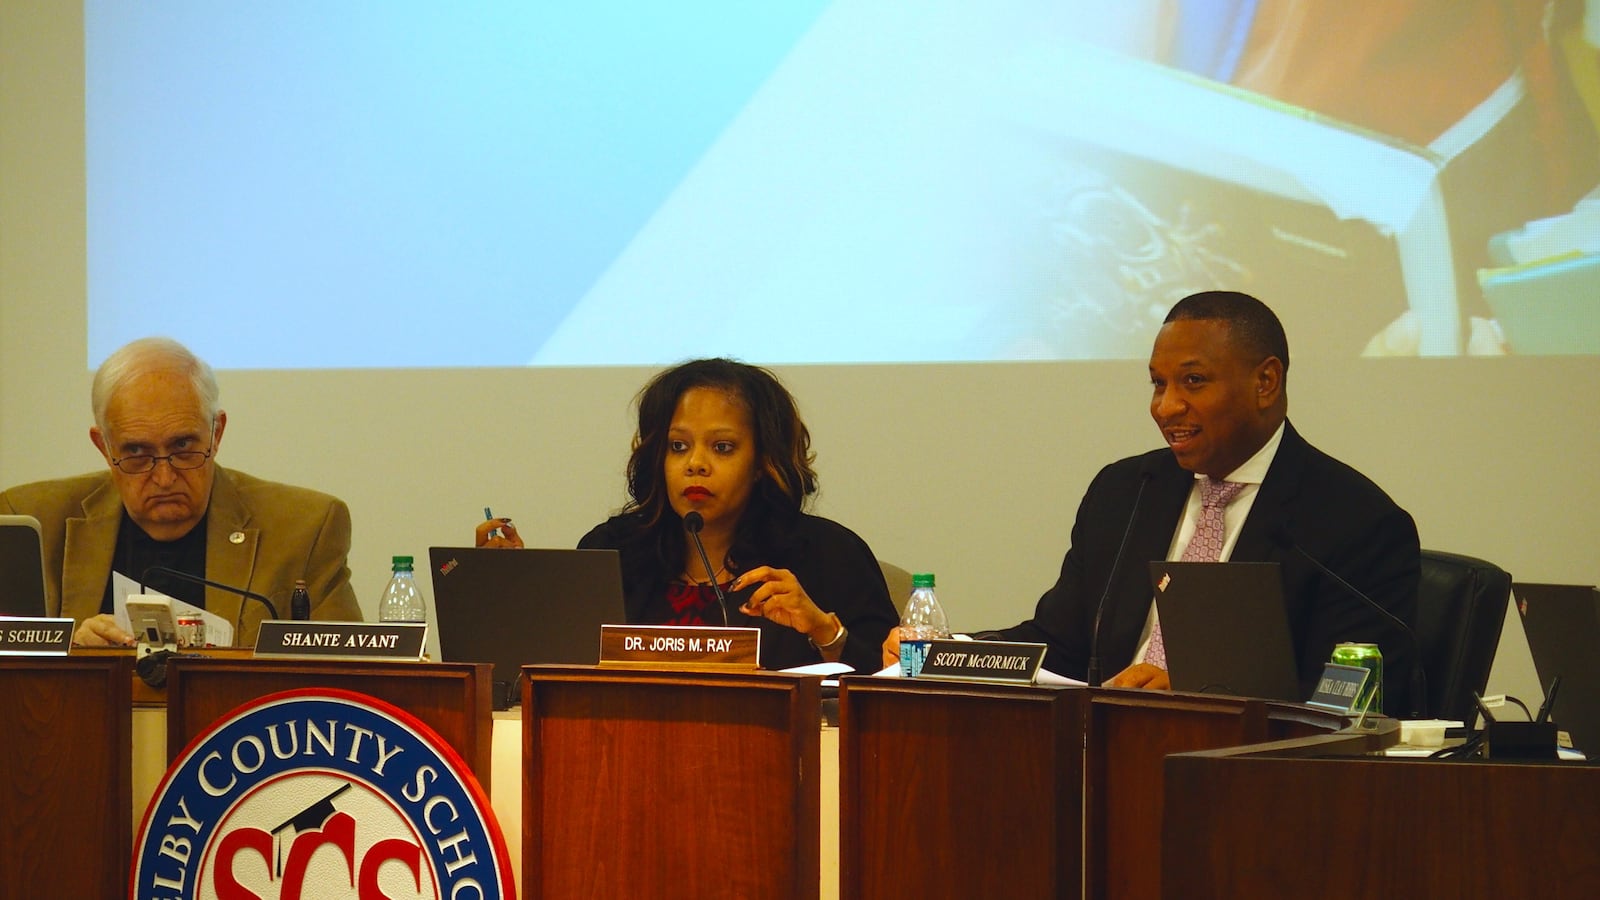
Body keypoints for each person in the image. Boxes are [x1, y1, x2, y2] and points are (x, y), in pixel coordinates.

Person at [885, 291, 1421, 714]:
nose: (1166, 407)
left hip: (1252, 786)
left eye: (1193, 381)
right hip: (1104, 759)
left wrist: (1199, 699)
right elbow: (1063, 646)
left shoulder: (1355, 521)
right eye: (1157, 383)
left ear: (1266, 381)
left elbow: (1351, 701)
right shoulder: (1125, 492)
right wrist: (945, 653)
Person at [479, 358, 898, 672]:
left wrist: (827, 633)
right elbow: (557, 677)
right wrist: (512, 592)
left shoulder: (828, 556)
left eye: (722, 447)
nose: (695, 464)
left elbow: (893, 684)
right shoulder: (611, 552)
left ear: (761, 462)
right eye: (678, 446)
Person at [0, 337, 362, 646]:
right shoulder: (34, 522)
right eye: (137, 453)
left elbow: (345, 684)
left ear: (216, 433)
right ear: (104, 447)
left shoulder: (305, 528)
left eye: (183, 446)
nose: (163, 477)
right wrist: (74, 656)